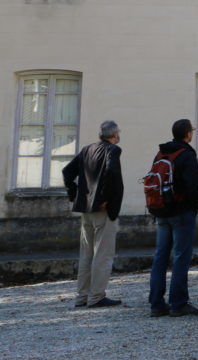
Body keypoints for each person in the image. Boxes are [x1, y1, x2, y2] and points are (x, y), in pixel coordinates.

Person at [62, 120, 124, 308]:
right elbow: (111, 173)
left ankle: (82, 296)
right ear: (114, 135)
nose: (119, 135)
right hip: (101, 209)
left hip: (85, 208)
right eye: (118, 133)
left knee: (86, 254)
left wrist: (75, 194)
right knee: (103, 254)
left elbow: (67, 172)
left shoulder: (87, 149)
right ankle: (96, 296)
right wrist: (104, 199)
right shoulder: (112, 150)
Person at [148, 118, 198, 317]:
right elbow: (193, 186)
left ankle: (156, 303)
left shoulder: (161, 153)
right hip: (181, 212)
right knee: (181, 257)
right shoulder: (187, 155)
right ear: (188, 134)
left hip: (161, 211)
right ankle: (178, 303)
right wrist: (192, 210)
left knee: (160, 256)